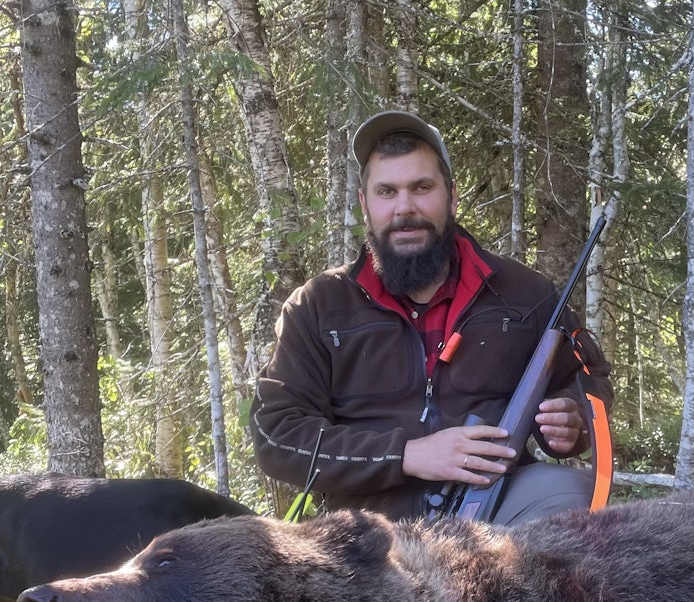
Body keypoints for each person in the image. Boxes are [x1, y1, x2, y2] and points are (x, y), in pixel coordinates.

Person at [250, 109, 612, 522]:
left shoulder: (526, 293)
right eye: (387, 191)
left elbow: (590, 380)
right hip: (367, 529)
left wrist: (572, 417)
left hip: (495, 506)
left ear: (451, 196)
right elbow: (276, 435)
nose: (405, 207)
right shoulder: (317, 305)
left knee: (571, 492)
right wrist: (407, 455)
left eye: (421, 188)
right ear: (365, 204)